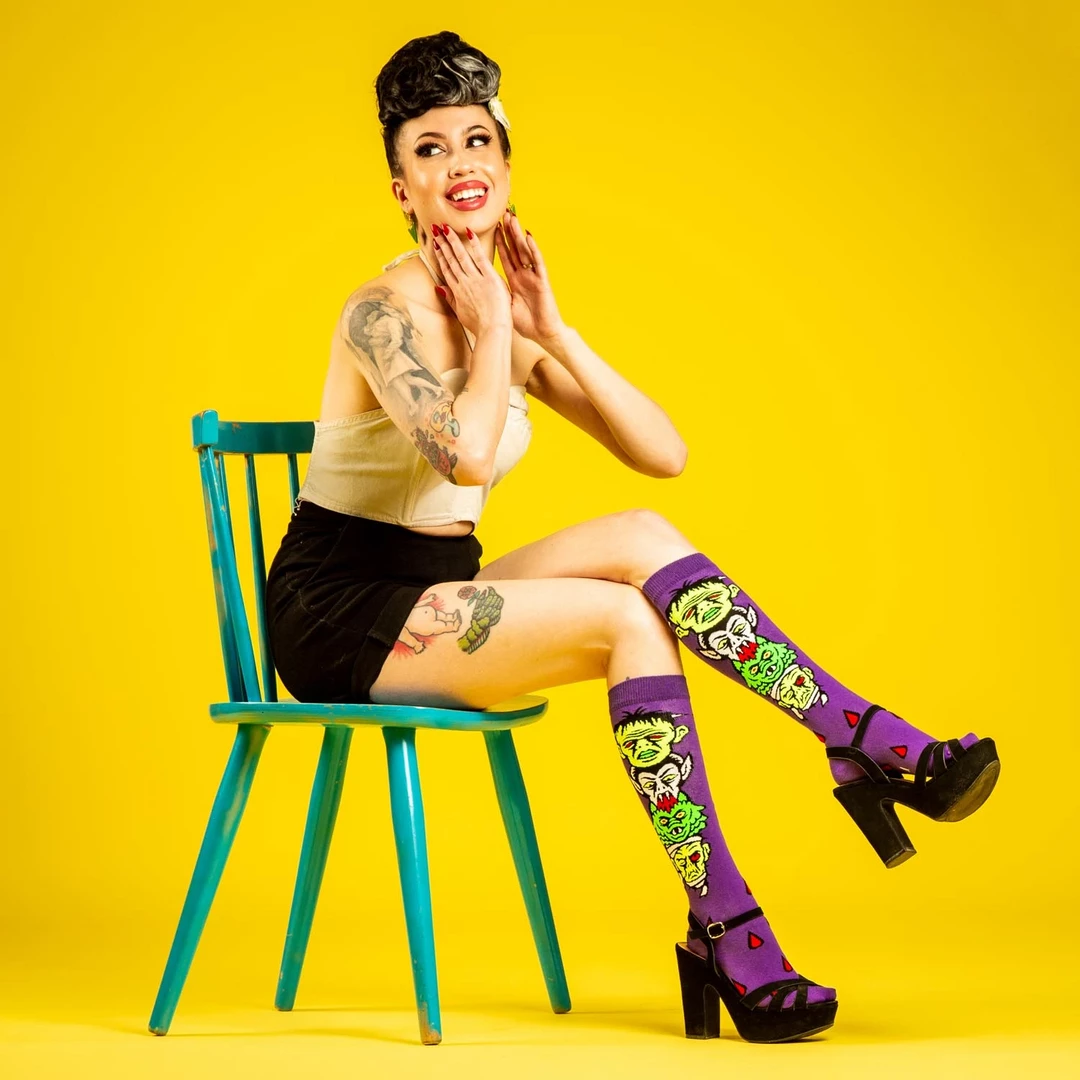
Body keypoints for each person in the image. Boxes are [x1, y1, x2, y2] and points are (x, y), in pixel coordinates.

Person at [265, 29, 1000, 1044]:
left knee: (644, 535)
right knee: (627, 621)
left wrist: (550, 330)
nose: (460, 164)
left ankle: (849, 745)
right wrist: (492, 332)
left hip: (437, 588)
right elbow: (465, 461)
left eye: (477, 140)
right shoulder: (380, 313)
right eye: (429, 149)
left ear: (506, 160)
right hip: (340, 616)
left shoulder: (503, 316)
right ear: (402, 188)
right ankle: (744, 908)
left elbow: (662, 454)